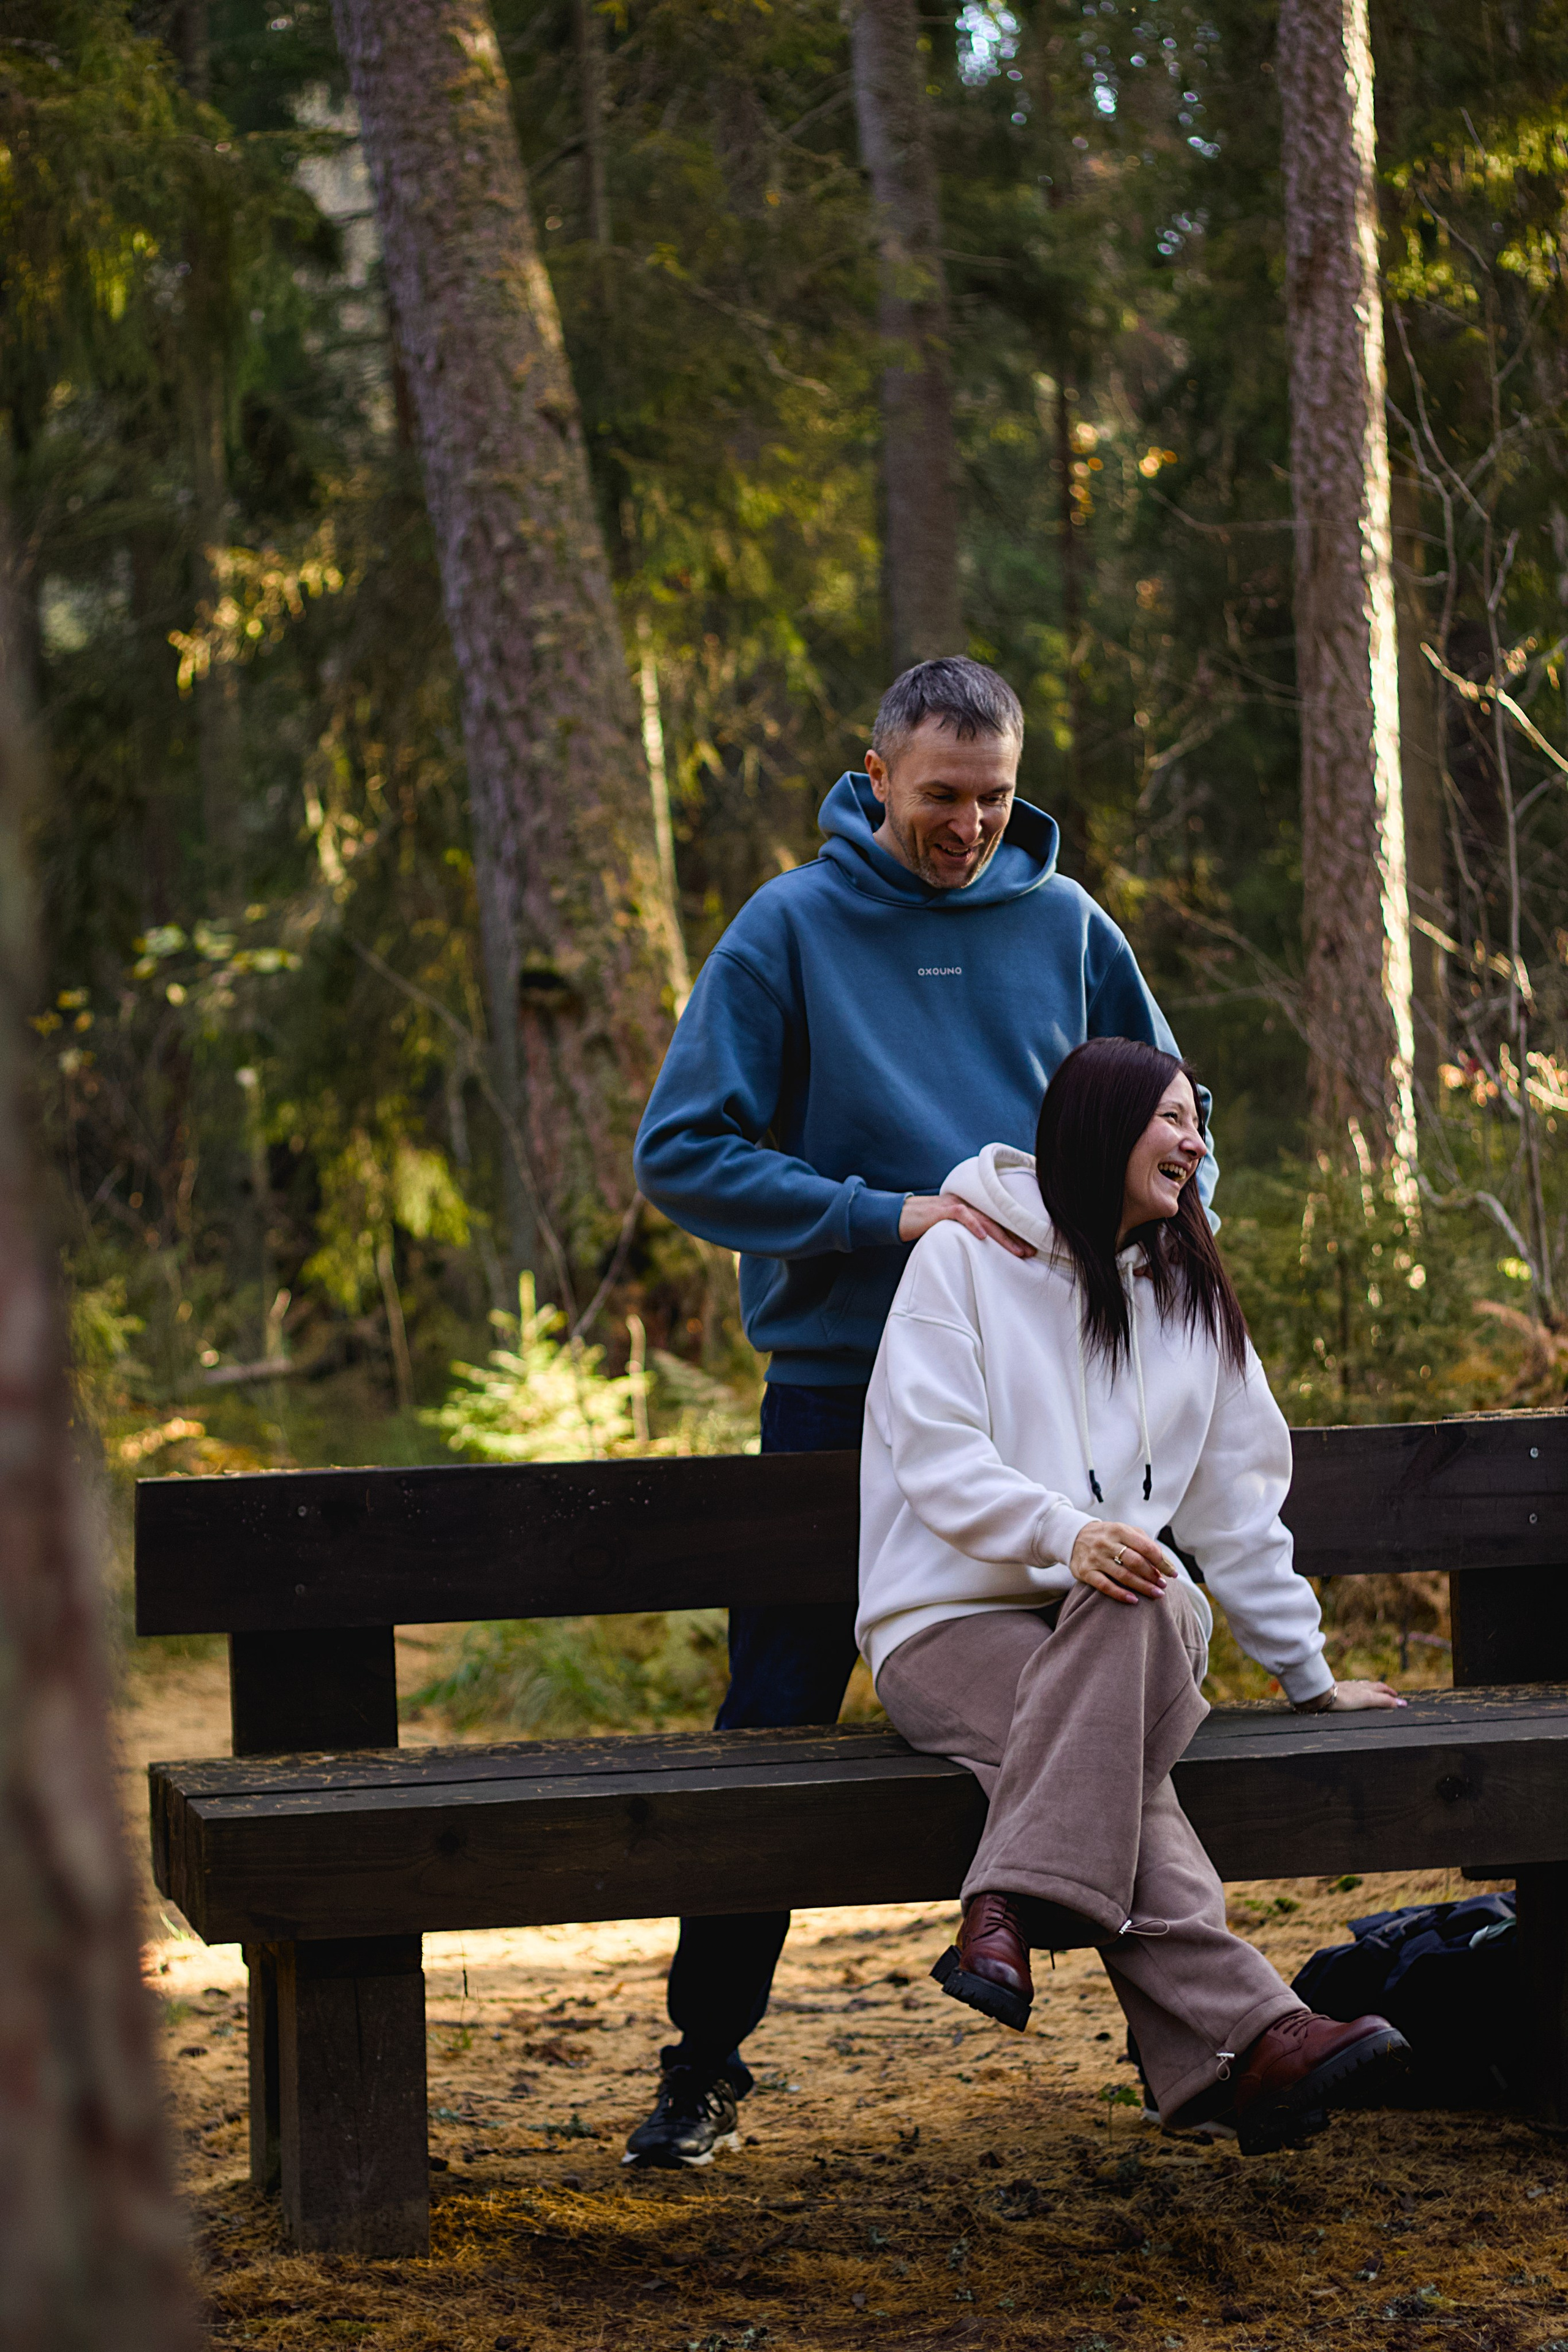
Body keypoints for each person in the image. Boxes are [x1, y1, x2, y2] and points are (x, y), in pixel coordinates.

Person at [627, 655, 1216, 2168]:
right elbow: (683, 1152)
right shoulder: (792, 926)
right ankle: (701, 2063)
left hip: (1042, 1394)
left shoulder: (1068, 929)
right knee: (768, 1718)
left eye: (994, 796)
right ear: (875, 774)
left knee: (1097, 1679)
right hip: (838, 1399)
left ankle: (1189, 2025)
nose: (965, 824)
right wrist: (882, 1220)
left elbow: (1175, 1127)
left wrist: (1154, 1264)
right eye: (940, 794)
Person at [858, 1036, 1409, 2153]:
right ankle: (1252, 2041)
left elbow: (1238, 1511)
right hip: (945, 1625)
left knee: (1150, 1597)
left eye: (1197, 1121)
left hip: (1131, 1625)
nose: (1196, 1142)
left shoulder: (1192, 1295)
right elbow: (936, 1454)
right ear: (1103, 1126)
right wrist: (1065, 1535)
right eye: (1173, 1118)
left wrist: (1308, 1678)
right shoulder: (962, 1260)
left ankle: (1006, 1902)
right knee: (1114, 1710)